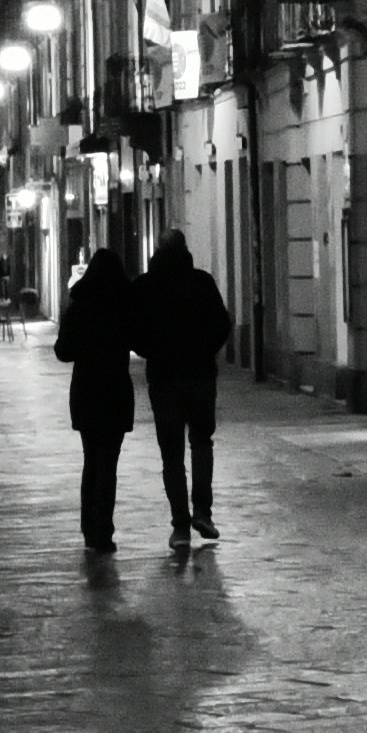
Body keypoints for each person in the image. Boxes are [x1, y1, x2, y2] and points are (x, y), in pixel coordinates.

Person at [133, 227, 234, 548]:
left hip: (164, 378)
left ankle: (180, 526)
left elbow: (134, 332)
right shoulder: (202, 282)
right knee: (202, 443)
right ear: (186, 249)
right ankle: (202, 512)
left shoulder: (146, 286)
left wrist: (153, 350)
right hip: (201, 375)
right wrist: (204, 350)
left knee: (171, 455)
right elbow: (222, 324)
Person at [52, 235, 145, 559]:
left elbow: (63, 352)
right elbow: (141, 343)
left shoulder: (79, 307)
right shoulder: (124, 306)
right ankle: (104, 529)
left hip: (86, 391)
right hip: (115, 391)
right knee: (109, 464)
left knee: (91, 461)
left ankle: (89, 529)